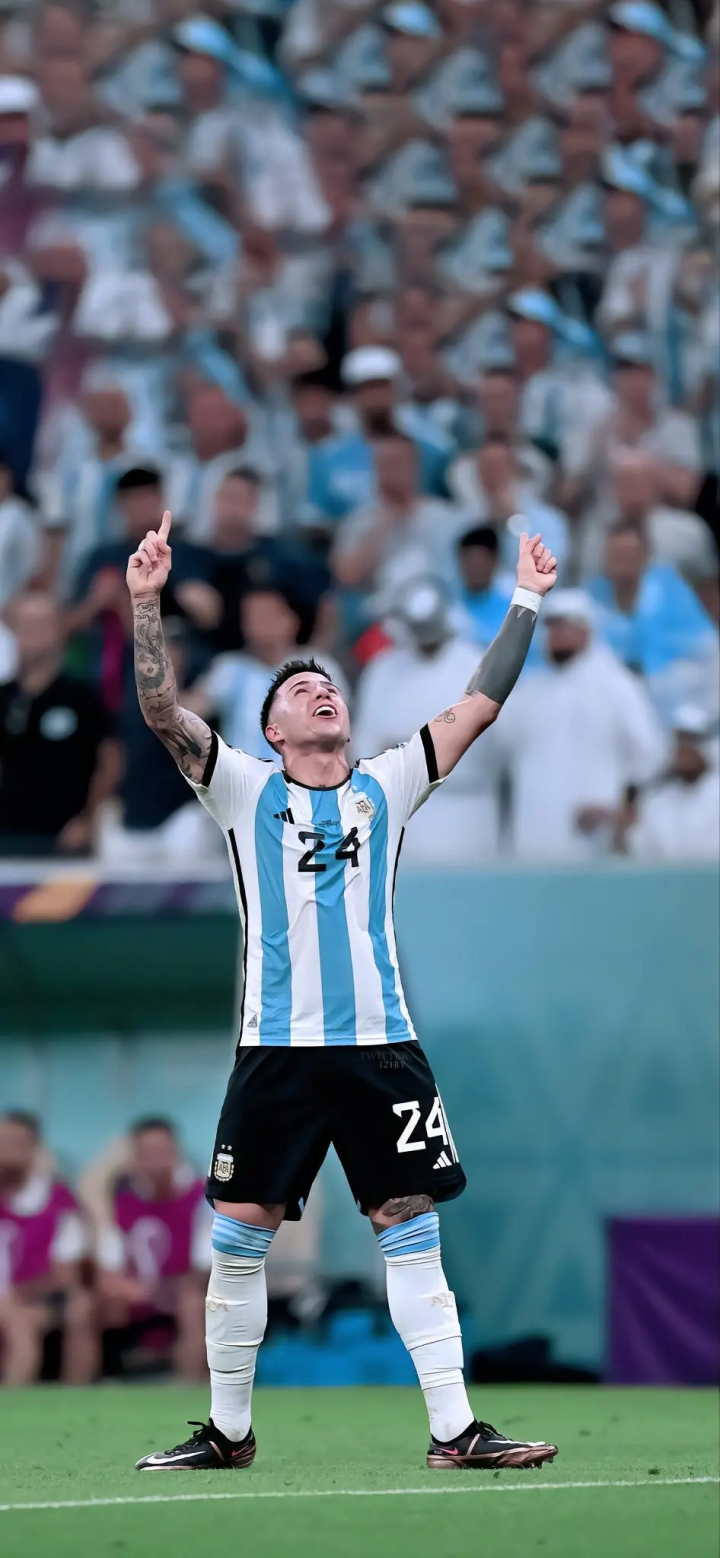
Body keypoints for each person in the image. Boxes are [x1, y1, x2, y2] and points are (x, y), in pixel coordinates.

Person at [127, 504, 559, 1472]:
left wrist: (527, 597)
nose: (321, 691)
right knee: (239, 1238)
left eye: (328, 684)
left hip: (380, 1047)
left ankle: (455, 1430)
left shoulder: (388, 783)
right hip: (276, 1052)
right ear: (272, 730)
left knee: (410, 1226)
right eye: (301, 689)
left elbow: (478, 704)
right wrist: (146, 602)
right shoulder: (240, 787)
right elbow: (162, 713)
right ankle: (228, 1432)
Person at [496, 590, 668, 860]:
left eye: (562, 626)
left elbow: (650, 755)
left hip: (592, 830)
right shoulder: (531, 689)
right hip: (534, 828)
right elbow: (504, 748)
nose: (554, 635)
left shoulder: (616, 686)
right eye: (550, 627)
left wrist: (617, 807)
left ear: (585, 630)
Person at [353, 579, 503, 864]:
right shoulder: (383, 669)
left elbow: (492, 741)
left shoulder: (476, 665)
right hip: (403, 809)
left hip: (466, 809)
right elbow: (365, 737)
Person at [86, 1118, 211, 1382]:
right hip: (137, 1294)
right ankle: (83, 1387)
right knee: (89, 1306)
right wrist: (124, 1287)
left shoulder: (202, 1199)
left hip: (182, 1291)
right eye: (147, 1153)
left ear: (175, 1153)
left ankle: (189, 1385)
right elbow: (107, 1269)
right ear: (135, 1158)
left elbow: (203, 1269)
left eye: (162, 1152)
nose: (155, 1161)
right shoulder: (121, 1203)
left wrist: (161, 1290)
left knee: (192, 1304)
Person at [0, 592, 120, 856]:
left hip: (65, 839)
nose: (32, 634)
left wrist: (88, 819)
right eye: (25, 625)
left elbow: (111, 763)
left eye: (40, 624)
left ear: (60, 629)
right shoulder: (5, 697)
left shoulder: (83, 697)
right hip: (7, 838)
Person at [0, 1111, 96, 1386]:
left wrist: (18, 1295)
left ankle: (72, 1397)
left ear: (34, 1149)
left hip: (29, 1300)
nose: (8, 1150)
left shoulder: (56, 1203)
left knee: (78, 1308)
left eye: (17, 1142)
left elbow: (65, 1275)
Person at [200, 587, 347, 761]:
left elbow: (341, 728)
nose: (260, 623)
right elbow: (189, 713)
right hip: (242, 775)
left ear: (292, 620)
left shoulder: (319, 667)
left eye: (267, 615)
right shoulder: (228, 668)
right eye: (251, 617)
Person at [588, 524, 718, 711]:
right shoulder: (592, 597)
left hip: (669, 693)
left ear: (646, 557)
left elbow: (704, 644)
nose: (623, 562)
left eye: (630, 554)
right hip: (612, 698)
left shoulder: (671, 591)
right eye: (616, 554)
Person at [626, 706, 720, 861]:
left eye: (691, 741)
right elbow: (637, 851)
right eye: (680, 741)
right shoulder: (655, 802)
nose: (684, 749)